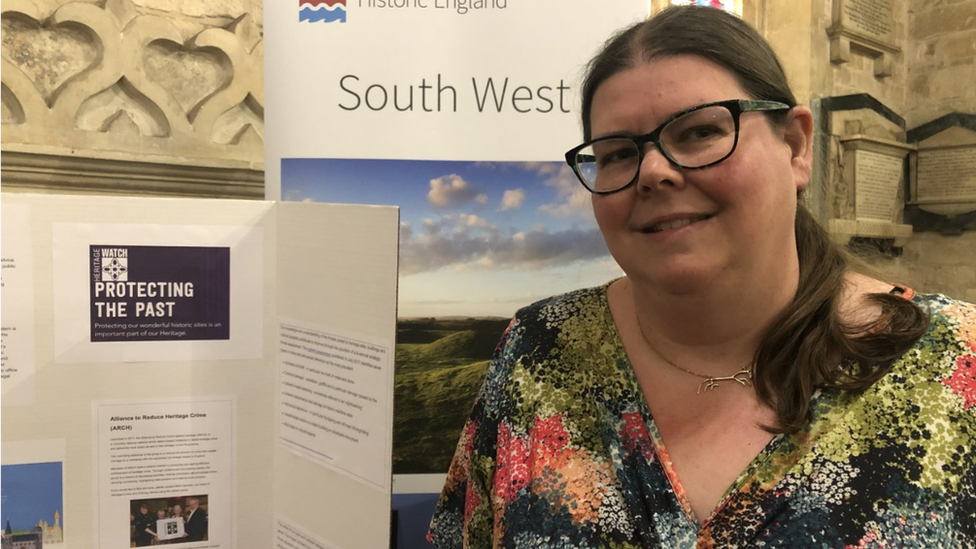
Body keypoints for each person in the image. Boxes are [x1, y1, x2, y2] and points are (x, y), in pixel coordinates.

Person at [428, 6, 975, 548]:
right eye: (618, 153)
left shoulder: (956, 366)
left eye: (700, 131)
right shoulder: (538, 349)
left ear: (796, 146)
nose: (653, 172)